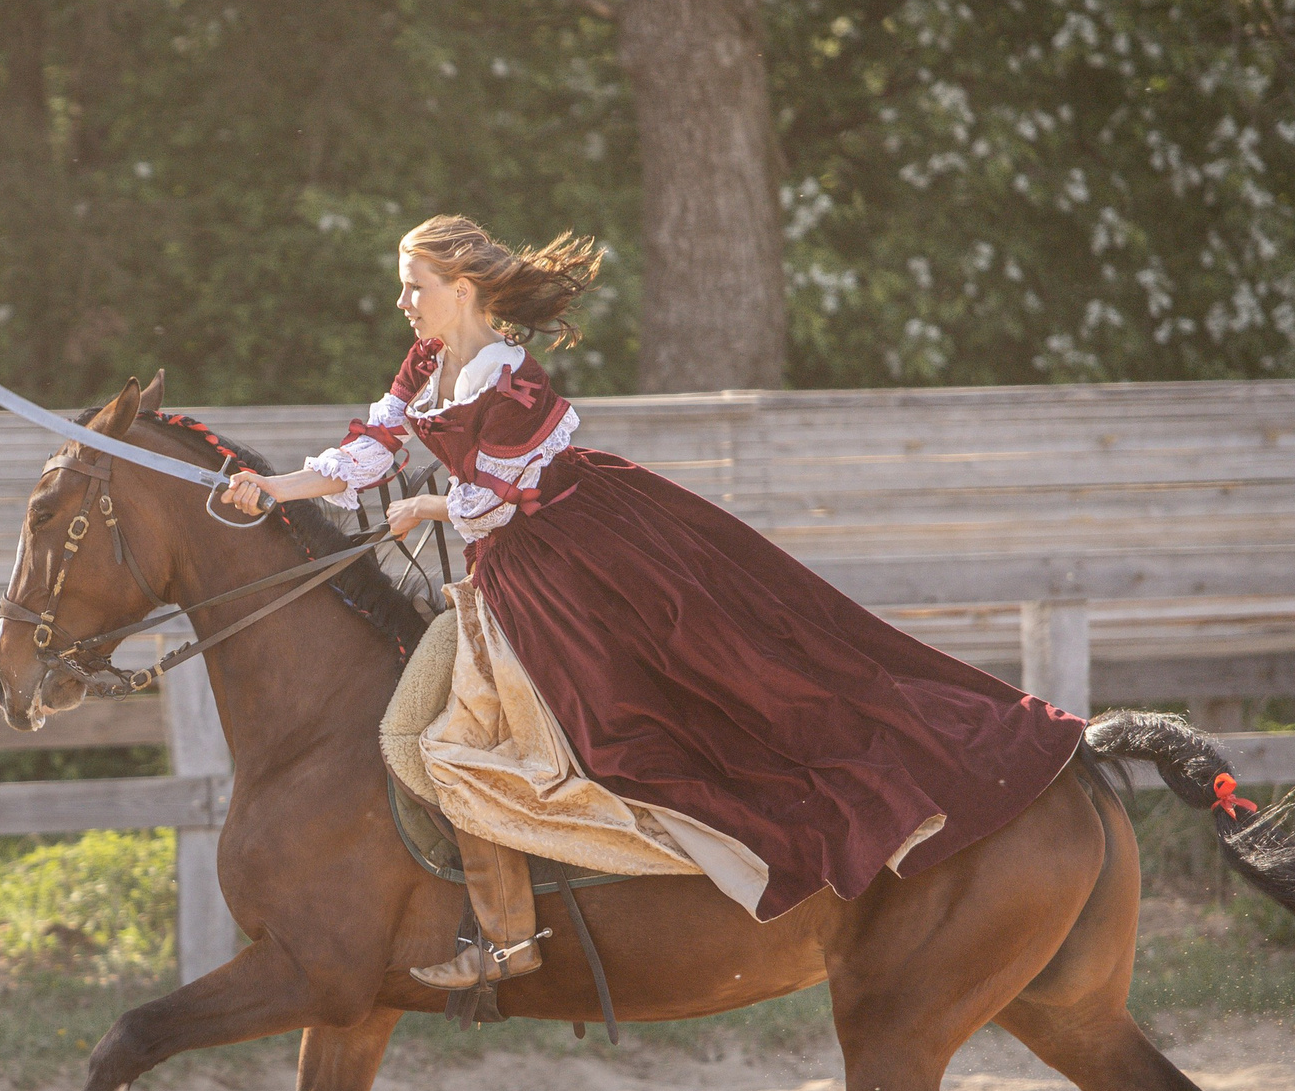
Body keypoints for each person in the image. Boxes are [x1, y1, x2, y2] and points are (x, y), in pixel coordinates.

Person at [223, 215, 1085, 977]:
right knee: (433, 743)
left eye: (413, 286)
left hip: (569, 565)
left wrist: (430, 502)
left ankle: (543, 924)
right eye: (402, 287)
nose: (403, 302)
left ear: (463, 288)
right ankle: (505, 924)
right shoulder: (427, 364)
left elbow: (490, 497)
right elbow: (366, 451)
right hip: (508, 568)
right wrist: (271, 490)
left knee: (609, 731)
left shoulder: (511, 377)